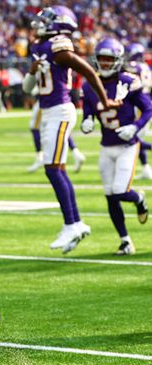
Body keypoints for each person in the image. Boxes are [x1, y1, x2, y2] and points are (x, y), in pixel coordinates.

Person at [23, 5, 120, 253]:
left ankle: (71, 223)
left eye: (47, 19)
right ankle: (75, 222)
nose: (40, 22)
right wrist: (33, 72)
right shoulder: (39, 47)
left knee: (53, 169)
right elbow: (27, 88)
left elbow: (88, 70)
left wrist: (105, 100)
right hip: (48, 111)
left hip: (60, 110)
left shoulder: (59, 46)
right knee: (58, 169)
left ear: (60, 24)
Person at [80, 38, 151, 255]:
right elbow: (88, 110)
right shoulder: (90, 84)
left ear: (118, 60)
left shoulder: (128, 81)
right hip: (106, 146)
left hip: (127, 145)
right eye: (101, 58)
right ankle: (125, 241)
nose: (104, 62)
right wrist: (87, 120)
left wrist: (136, 127)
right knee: (110, 196)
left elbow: (149, 108)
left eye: (109, 59)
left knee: (121, 191)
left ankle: (139, 199)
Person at [27, 91, 86, 173]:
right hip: (61, 99)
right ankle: (76, 153)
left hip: (47, 100)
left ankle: (39, 157)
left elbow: (28, 87)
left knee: (34, 127)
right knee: (59, 130)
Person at [124, 43, 152, 179]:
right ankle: (146, 168)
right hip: (145, 100)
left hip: (139, 103)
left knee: (133, 137)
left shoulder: (135, 67)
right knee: (137, 137)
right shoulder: (146, 67)